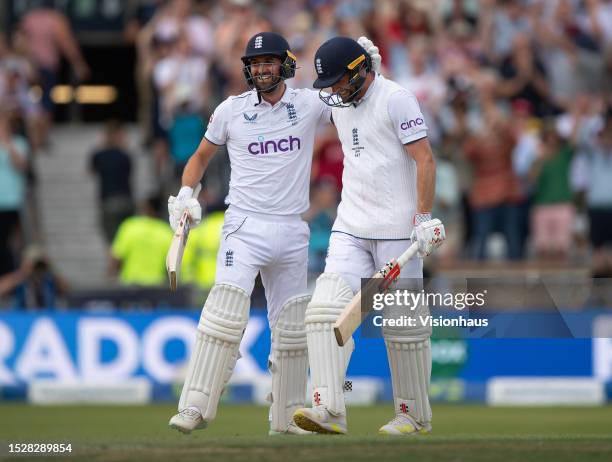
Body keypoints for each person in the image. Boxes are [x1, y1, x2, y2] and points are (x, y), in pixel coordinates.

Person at [166, 32, 381, 436]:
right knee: (225, 313)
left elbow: (353, 100)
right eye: (255, 63)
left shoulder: (308, 103)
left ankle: (286, 418)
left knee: (294, 329)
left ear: (285, 64)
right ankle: (194, 406)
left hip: (291, 229)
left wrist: (367, 69)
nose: (262, 69)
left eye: (269, 62)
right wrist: (184, 195)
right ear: (248, 68)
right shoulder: (230, 110)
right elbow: (198, 158)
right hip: (244, 226)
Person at [292, 37, 444, 436]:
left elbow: (425, 159)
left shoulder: (396, 98)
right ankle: (329, 408)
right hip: (351, 226)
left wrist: (424, 217)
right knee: (324, 312)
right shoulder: (337, 103)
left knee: (404, 327)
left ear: (361, 70)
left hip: (399, 233)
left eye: (340, 80)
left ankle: (413, 415)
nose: (334, 90)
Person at [89, 121, 134, 244]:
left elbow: (91, 171)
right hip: (126, 199)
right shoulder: (125, 155)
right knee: (127, 238)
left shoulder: (99, 155)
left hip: (108, 200)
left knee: (112, 241)